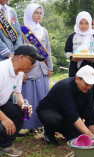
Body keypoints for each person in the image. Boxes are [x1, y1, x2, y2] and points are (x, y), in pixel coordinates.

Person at [36, 65, 94, 146]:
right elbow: (72, 114)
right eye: (87, 83)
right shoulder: (65, 87)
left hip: (67, 115)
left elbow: (89, 111)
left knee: (79, 137)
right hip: (50, 111)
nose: (89, 87)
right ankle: (48, 133)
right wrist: (91, 136)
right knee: (54, 120)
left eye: (91, 84)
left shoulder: (88, 89)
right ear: (77, 79)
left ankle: (62, 128)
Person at [0, 44, 44, 157]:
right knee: (3, 123)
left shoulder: (19, 72)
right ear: (21, 57)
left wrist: (23, 105)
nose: (33, 65)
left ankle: (5, 145)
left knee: (20, 112)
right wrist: (4, 118)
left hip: (2, 104)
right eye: (32, 61)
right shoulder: (2, 70)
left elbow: (16, 92)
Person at [20, 4, 53, 133]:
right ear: (29, 14)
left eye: (41, 13)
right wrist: (22, 70)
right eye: (36, 13)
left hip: (43, 68)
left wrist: (50, 66)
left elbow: (48, 49)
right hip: (29, 68)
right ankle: (28, 125)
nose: (39, 15)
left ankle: (41, 123)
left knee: (42, 97)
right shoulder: (23, 30)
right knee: (28, 97)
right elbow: (20, 50)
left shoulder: (43, 30)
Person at [65, 11, 94, 77]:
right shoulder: (72, 36)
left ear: (90, 23)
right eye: (81, 23)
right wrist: (73, 58)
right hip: (74, 67)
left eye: (86, 23)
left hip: (90, 67)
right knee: (74, 85)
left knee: (88, 86)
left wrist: (92, 58)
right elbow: (67, 52)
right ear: (77, 23)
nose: (84, 26)